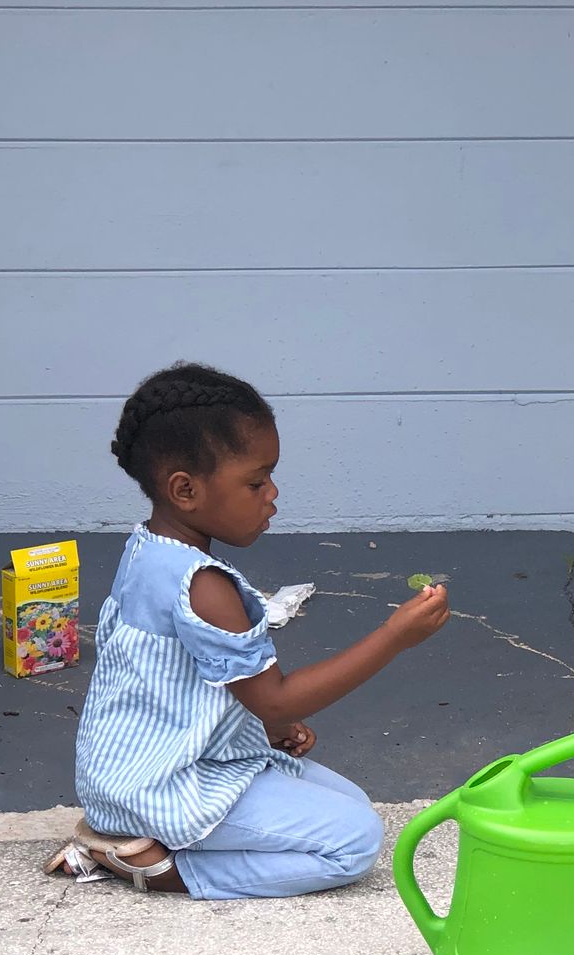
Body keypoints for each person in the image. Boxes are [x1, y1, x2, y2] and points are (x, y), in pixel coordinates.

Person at [59, 362, 449, 899]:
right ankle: (151, 866)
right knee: (356, 841)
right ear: (185, 490)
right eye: (255, 481)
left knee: (352, 804)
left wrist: (260, 730)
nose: (272, 494)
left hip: (152, 764)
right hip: (158, 786)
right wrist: (394, 636)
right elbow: (276, 698)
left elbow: (169, 684)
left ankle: (147, 835)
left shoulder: (148, 549)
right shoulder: (204, 586)